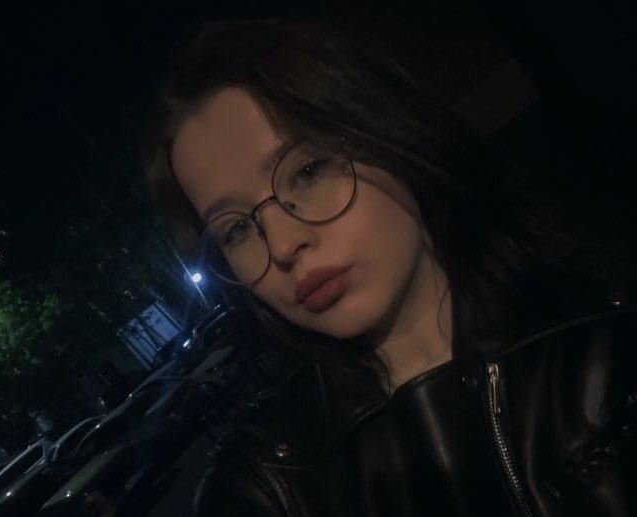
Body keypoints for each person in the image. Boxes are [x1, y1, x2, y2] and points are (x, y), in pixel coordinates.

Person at [142, 17, 636, 517]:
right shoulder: (270, 481)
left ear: (385, 131)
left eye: (306, 172)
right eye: (236, 229)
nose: (284, 245)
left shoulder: (604, 339)